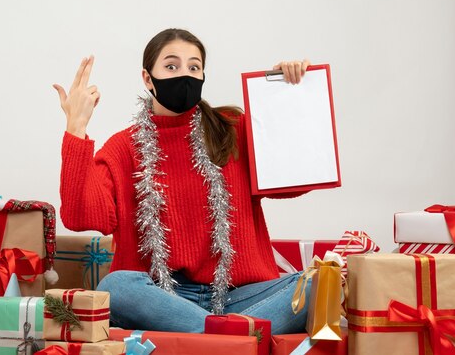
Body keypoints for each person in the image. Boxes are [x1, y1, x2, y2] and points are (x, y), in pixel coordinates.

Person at [53, 28, 312, 334]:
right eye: (172, 66)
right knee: (117, 286)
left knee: (317, 285)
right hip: (164, 300)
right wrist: (76, 126)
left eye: (194, 67)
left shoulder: (232, 129)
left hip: (240, 296)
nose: (184, 75)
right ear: (148, 78)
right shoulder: (124, 147)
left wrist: (283, 95)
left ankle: (217, 337)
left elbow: (295, 182)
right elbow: (80, 216)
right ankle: (236, 338)